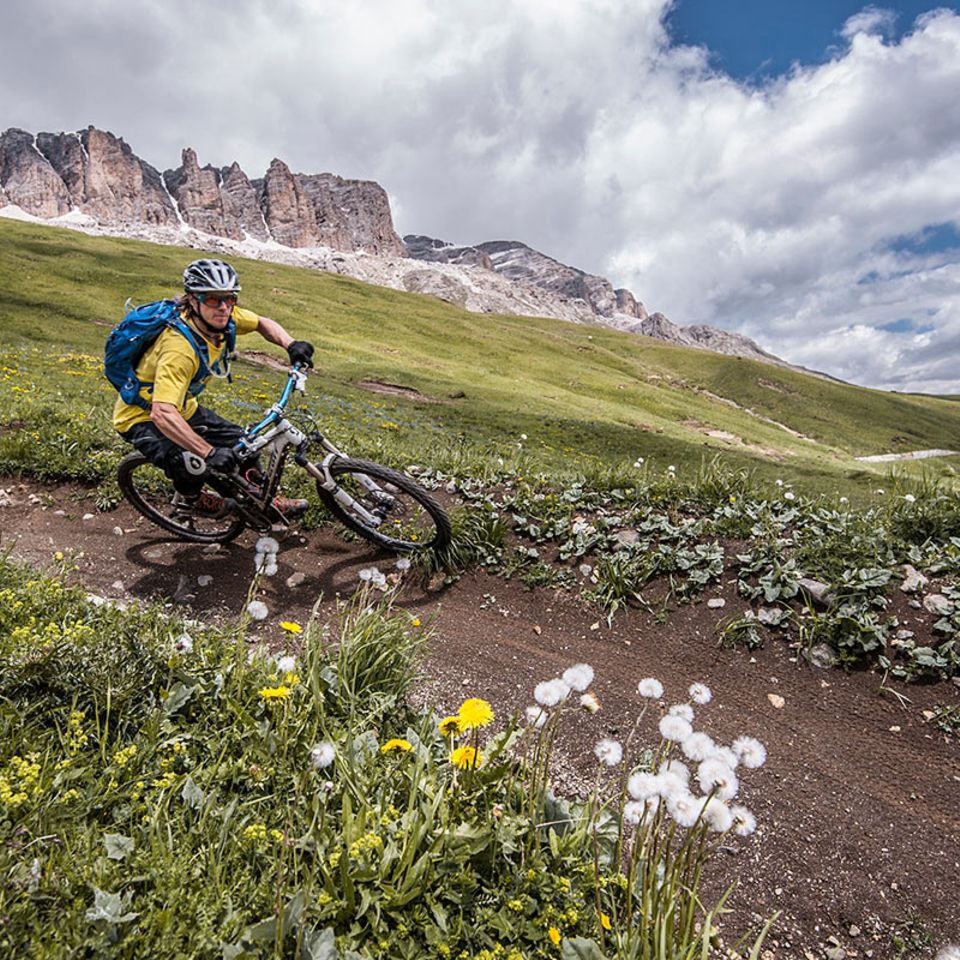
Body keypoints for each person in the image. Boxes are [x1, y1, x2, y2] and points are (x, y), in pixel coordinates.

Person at [113, 257, 315, 517]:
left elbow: (262, 323)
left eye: (230, 299)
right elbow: (161, 413)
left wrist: (291, 344)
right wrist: (208, 452)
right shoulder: (179, 349)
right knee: (191, 464)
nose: (223, 307)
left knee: (245, 445)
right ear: (193, 300)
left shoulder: (222, 318)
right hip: (141, 418)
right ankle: (192, 499)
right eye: (212, 299)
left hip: (184, 408)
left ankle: (264, 499)